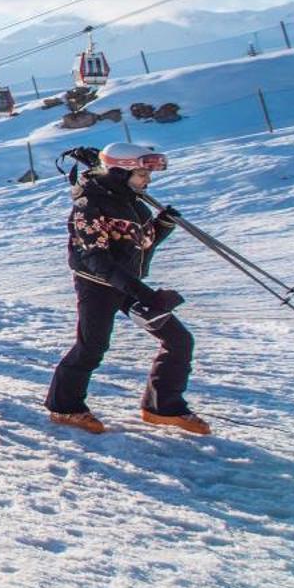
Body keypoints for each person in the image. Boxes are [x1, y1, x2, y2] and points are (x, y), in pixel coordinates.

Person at [46, 143, 208, 435]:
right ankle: (65, 407)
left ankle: (162, 406)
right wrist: (147, 295)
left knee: (179, 340)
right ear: (120, 173)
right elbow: (96, 259)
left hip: (128, 284)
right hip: (98, 286)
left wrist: (161, 226)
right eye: (141, 174)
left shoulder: (134, 202)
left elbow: (138, 246)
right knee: (91, 347)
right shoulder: (88, 205)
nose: (147, 180)